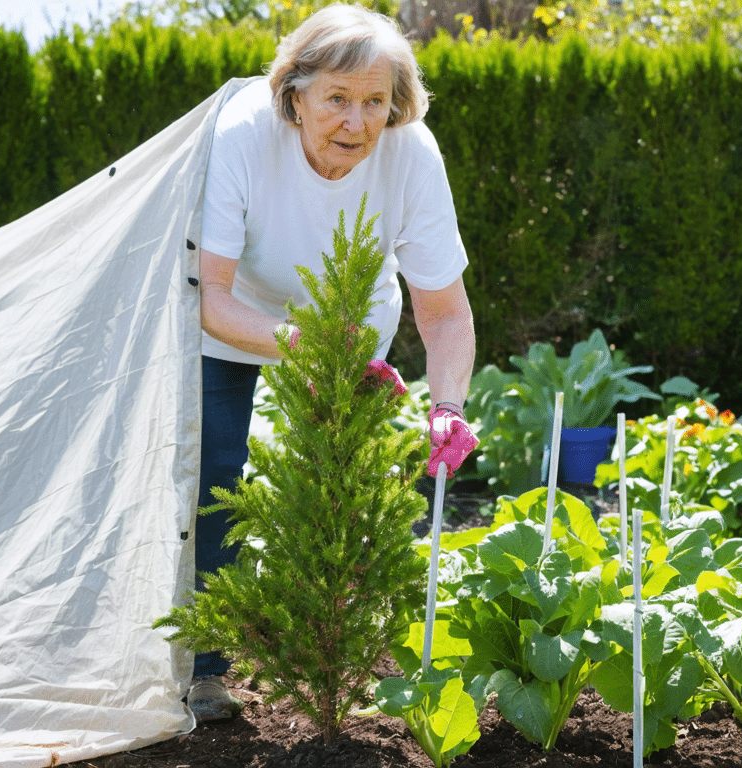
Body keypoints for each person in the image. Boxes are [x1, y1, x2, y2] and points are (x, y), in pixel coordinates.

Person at [190, 3, 479, 722]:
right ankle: (206, 670)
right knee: (215, 479)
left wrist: (449, 408)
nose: (356, 123)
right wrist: (298, 344)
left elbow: (443, 311)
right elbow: (211, 299)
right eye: (338, 100)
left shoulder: (411, 154)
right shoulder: (243, 135)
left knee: (337, 491)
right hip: (238, 322)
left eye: (375, 102)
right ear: (295, 95)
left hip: (350, 325)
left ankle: (331, 664)